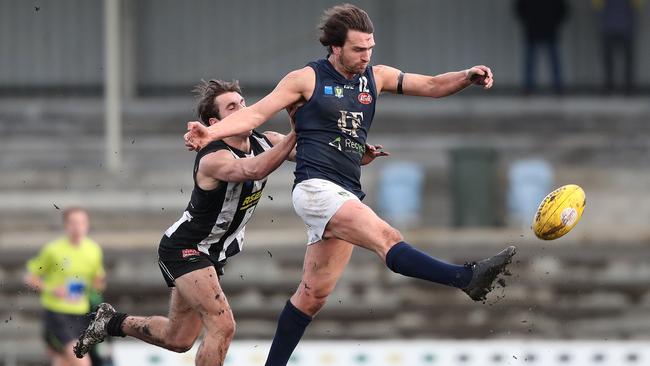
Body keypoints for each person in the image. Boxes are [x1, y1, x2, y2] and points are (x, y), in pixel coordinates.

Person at [184, 5, 517, 365]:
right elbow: (256, 113)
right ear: (335, 48)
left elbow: (433, 85)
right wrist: (210, 132)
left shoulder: (376, 77)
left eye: (370, 47)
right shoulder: (306, 79)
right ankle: (466, 277)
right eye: (359, 49)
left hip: (346, 190)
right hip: (316, 189)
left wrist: (467, 76)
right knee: (386, 238)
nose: (366, 56)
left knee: (312, 297)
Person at [73, 79, 388, 366]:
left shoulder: (266, 140)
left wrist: (357, 153)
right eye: (233, 107)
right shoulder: (214, 158)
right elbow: (253, 170)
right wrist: (297, 132)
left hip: (211, 252)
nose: (244, 109)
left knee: (178, 338)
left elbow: (318, 153)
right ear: (216, 123)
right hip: (186, 248)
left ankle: (110, 321)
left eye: (243, 103)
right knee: (223, 326)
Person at [24, 207, 106, 366]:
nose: (78, 227)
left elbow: (98, 283)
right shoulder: (53, 250)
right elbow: (30, 278)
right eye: (73, 223)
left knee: (63, 361)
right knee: (81, 360)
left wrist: (99, 283)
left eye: (82, 223)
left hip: (81, 313)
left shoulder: (93, 250)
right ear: (66, 226)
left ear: (87, 225)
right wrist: (51, 289)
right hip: (57, 313)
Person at [514, 0, 568, 94]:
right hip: (543, 28)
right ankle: (556, 87)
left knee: (535, 60)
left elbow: (563, 9)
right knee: (543, 60)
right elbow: (519, 8)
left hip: (540, 28)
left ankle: (529, 87)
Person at [593, 0, 643, 93]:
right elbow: (597, 4)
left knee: (624, 59)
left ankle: (625, 85)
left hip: (620, 26)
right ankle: (612, 84)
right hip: (614, 26)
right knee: (610, 58)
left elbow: (638, 4)